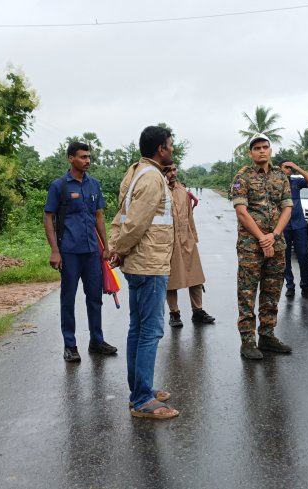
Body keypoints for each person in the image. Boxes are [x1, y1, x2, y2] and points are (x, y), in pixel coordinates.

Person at [109, 125, 179, 420]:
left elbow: (121, 216)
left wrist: (115, 246)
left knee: (138, 330)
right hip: (149, 264)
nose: (172, 149)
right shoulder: (152, 178)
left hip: (140, 264)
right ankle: (142, 400)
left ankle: (140, 389)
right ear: (160, 149)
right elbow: (136, 223)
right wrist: (120, 249)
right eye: (170, 145)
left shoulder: (135, 171)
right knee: (150, 331)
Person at [43, 141, 118, 362]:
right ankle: (70, 345)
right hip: (69, 252)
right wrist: (55, 251)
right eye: (83, 157)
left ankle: (96, 341)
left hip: (92, 252)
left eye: (89, 157)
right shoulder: (60, 186)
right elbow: (48, 217)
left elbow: (99, 217)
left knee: (95, 297)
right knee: (68, 298)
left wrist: (106, 246)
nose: (87, 161)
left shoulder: (94, 184)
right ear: (71, 158)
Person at [230, 133, 294, 360]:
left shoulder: (280, 176)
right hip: (250, 246)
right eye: (256, 148)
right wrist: (261, 238)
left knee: (272, 291)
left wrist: (273, 236)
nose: (262, 151)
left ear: (270, 150)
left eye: (265, 147)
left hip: (276, 243)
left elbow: (287, 207)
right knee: (247, 293)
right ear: (250, 153)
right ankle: (248, 341)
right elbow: (241, 212)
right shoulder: (242, 177)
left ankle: (267, 336)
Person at [163, 163, 215, 328]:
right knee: (170, 279)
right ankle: (174, 313)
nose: (172, 173)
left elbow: (189, 216)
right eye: (168, 170)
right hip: (167, 241)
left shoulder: (182, 191)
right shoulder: (158, 190)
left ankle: (198, 311)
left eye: (174, 169)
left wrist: (194, 238)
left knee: (196, 277)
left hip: (187, 238)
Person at [279, 160, 308, 298]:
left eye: (290, 168)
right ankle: (290, 286)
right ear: (279, 168)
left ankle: (305, 286)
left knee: (303, 255)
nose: (288, 170)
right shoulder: (275, 183)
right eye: (286, 167)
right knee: (285, 257)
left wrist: (297, 168)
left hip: (299, 224)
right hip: (282, 226)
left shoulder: (296, 182)